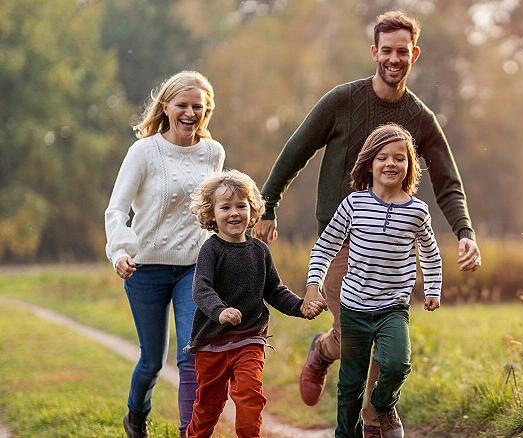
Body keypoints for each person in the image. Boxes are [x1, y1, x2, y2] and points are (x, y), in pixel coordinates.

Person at [253, 10, 482, 435]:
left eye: (403, 52)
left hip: (394, 248)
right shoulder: (342, 100)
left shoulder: (421, 119)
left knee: (386, 340)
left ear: (414, 54)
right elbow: (296, 149)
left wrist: (464, 233)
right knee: (352, 332)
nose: (394, 59)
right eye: (386, 51)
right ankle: (329, 357)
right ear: (374, 52)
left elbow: (449, 183)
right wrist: (267, 205)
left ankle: (374, 415)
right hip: (342, 239)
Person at [105, 70, 225, 438]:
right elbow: (116, 209)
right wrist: (121, 251)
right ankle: (136, 414)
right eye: (182, 105)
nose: (190, 113)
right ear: (167, 107)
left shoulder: (213, 152)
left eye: (198, 107)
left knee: (191, 357)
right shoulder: (144, 151)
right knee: (152, 362)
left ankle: (190, 431)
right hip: (145, 268)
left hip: (194, 267)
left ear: (206, 112)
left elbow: (211, 211)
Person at [307, 123, 442, 437]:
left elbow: (431, 254)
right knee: (350, 384)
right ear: (369, 163)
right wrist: (314, 285)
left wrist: (433, 288)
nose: (391, 164)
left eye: (399, 158)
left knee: (397, 365)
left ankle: (380, 407)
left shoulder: (417, 212)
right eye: (382, 157)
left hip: (392, 309)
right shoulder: (353, 205)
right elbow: (324, 248)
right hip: (354, 308)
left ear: (409, 166)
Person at [185, 170, 325, 437]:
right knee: (208, 408)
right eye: (225, 207)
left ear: (253, 210)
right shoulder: (211, 250)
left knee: (250, 396)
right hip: (212, 343)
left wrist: (301, 307)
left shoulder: (259, 250)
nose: (234, 213)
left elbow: (275, 290)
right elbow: (201, 289)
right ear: (212, 214)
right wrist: (221, 311)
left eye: (241, 206)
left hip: (249, 339)